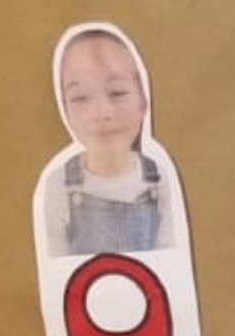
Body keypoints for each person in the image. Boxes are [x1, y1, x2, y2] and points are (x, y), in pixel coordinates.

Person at [40, 28, 176, 258]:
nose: (102, 113)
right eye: (80, 98)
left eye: (117, 93)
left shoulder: (161, 180)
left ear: (143, 101)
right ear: (65, 112)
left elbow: (170, 260)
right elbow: (56, 267)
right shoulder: (58, 186)